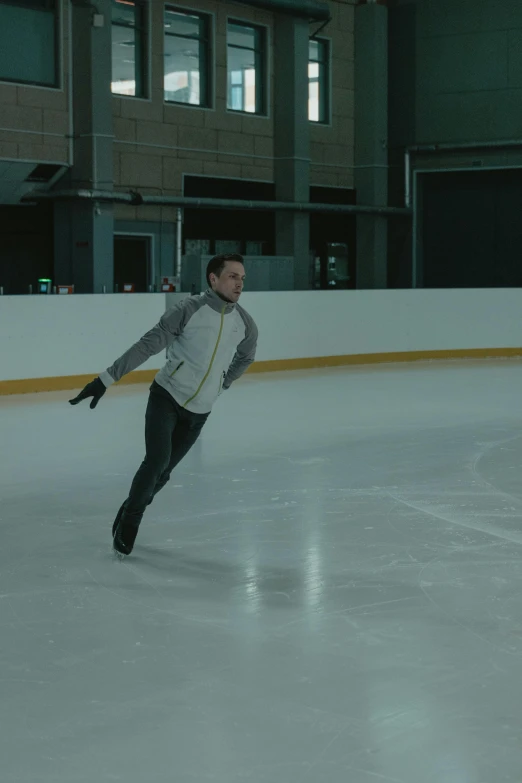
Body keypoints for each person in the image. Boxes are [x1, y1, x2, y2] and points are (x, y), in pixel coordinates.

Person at [69, 253, 258, 557]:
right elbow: (147, 345)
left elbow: (246, 356)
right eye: (233, 276)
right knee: (156, 461)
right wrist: (104, 379)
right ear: (213, 278)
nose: (240, 284)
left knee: (165, 473)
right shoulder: (188, 310)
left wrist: (223, 382)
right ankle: (131, 521)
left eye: (242, 278)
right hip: (166, 397)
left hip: (200, 411)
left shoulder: (245, 324)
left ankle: (131, 504)